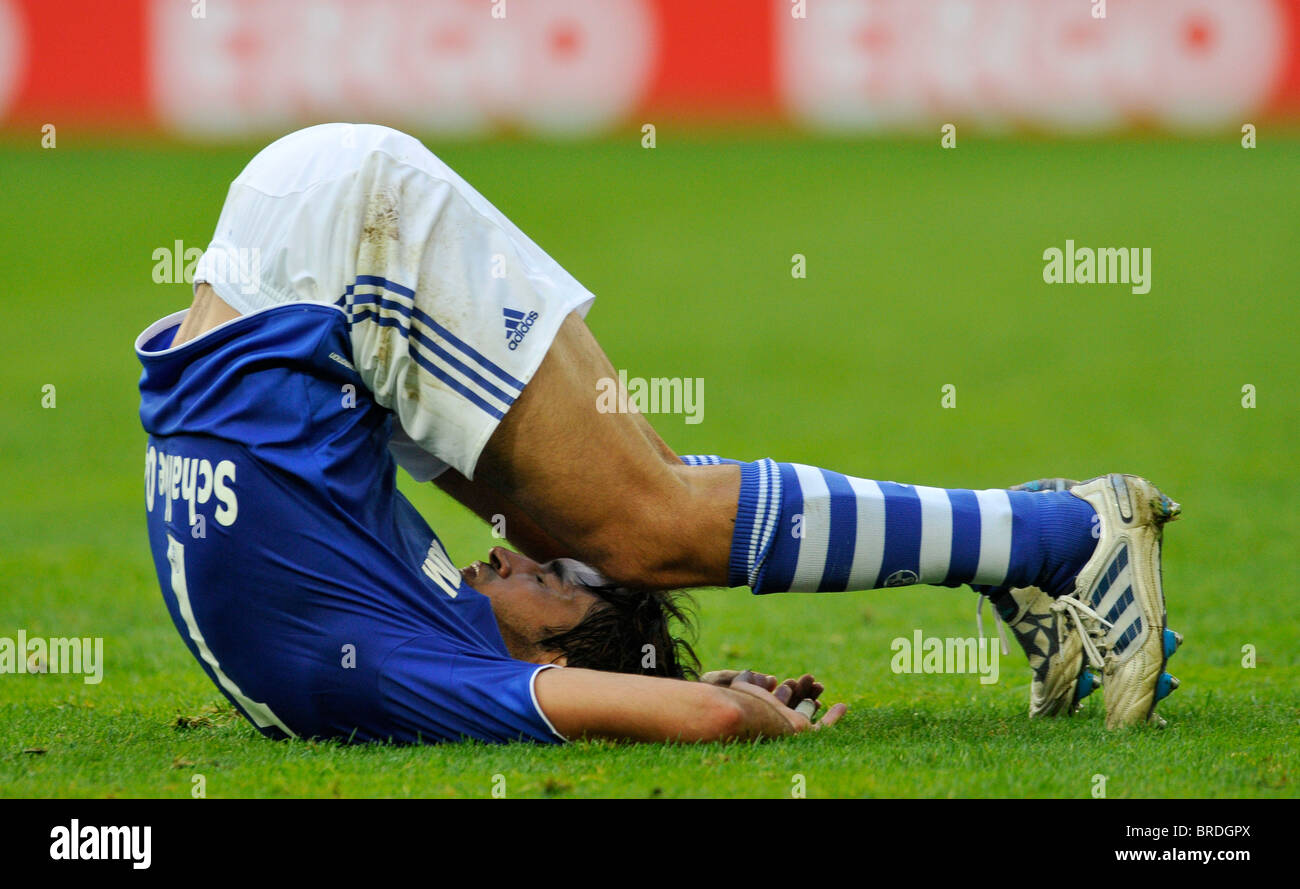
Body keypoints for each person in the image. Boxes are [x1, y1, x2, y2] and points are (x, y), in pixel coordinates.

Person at [136, 123, 1181, 745]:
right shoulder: (426, 662)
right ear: (544, 651)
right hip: (308, 256)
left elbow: (680, 709)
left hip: (317, 250)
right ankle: (1049, 537)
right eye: (547, 583)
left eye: (540, 576)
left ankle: (1049, 537)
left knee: (634, 519)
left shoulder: (402, 654)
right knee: (636, 526)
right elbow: (701, 717)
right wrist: (676, 693)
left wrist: (674, 693)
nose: (514, 557)